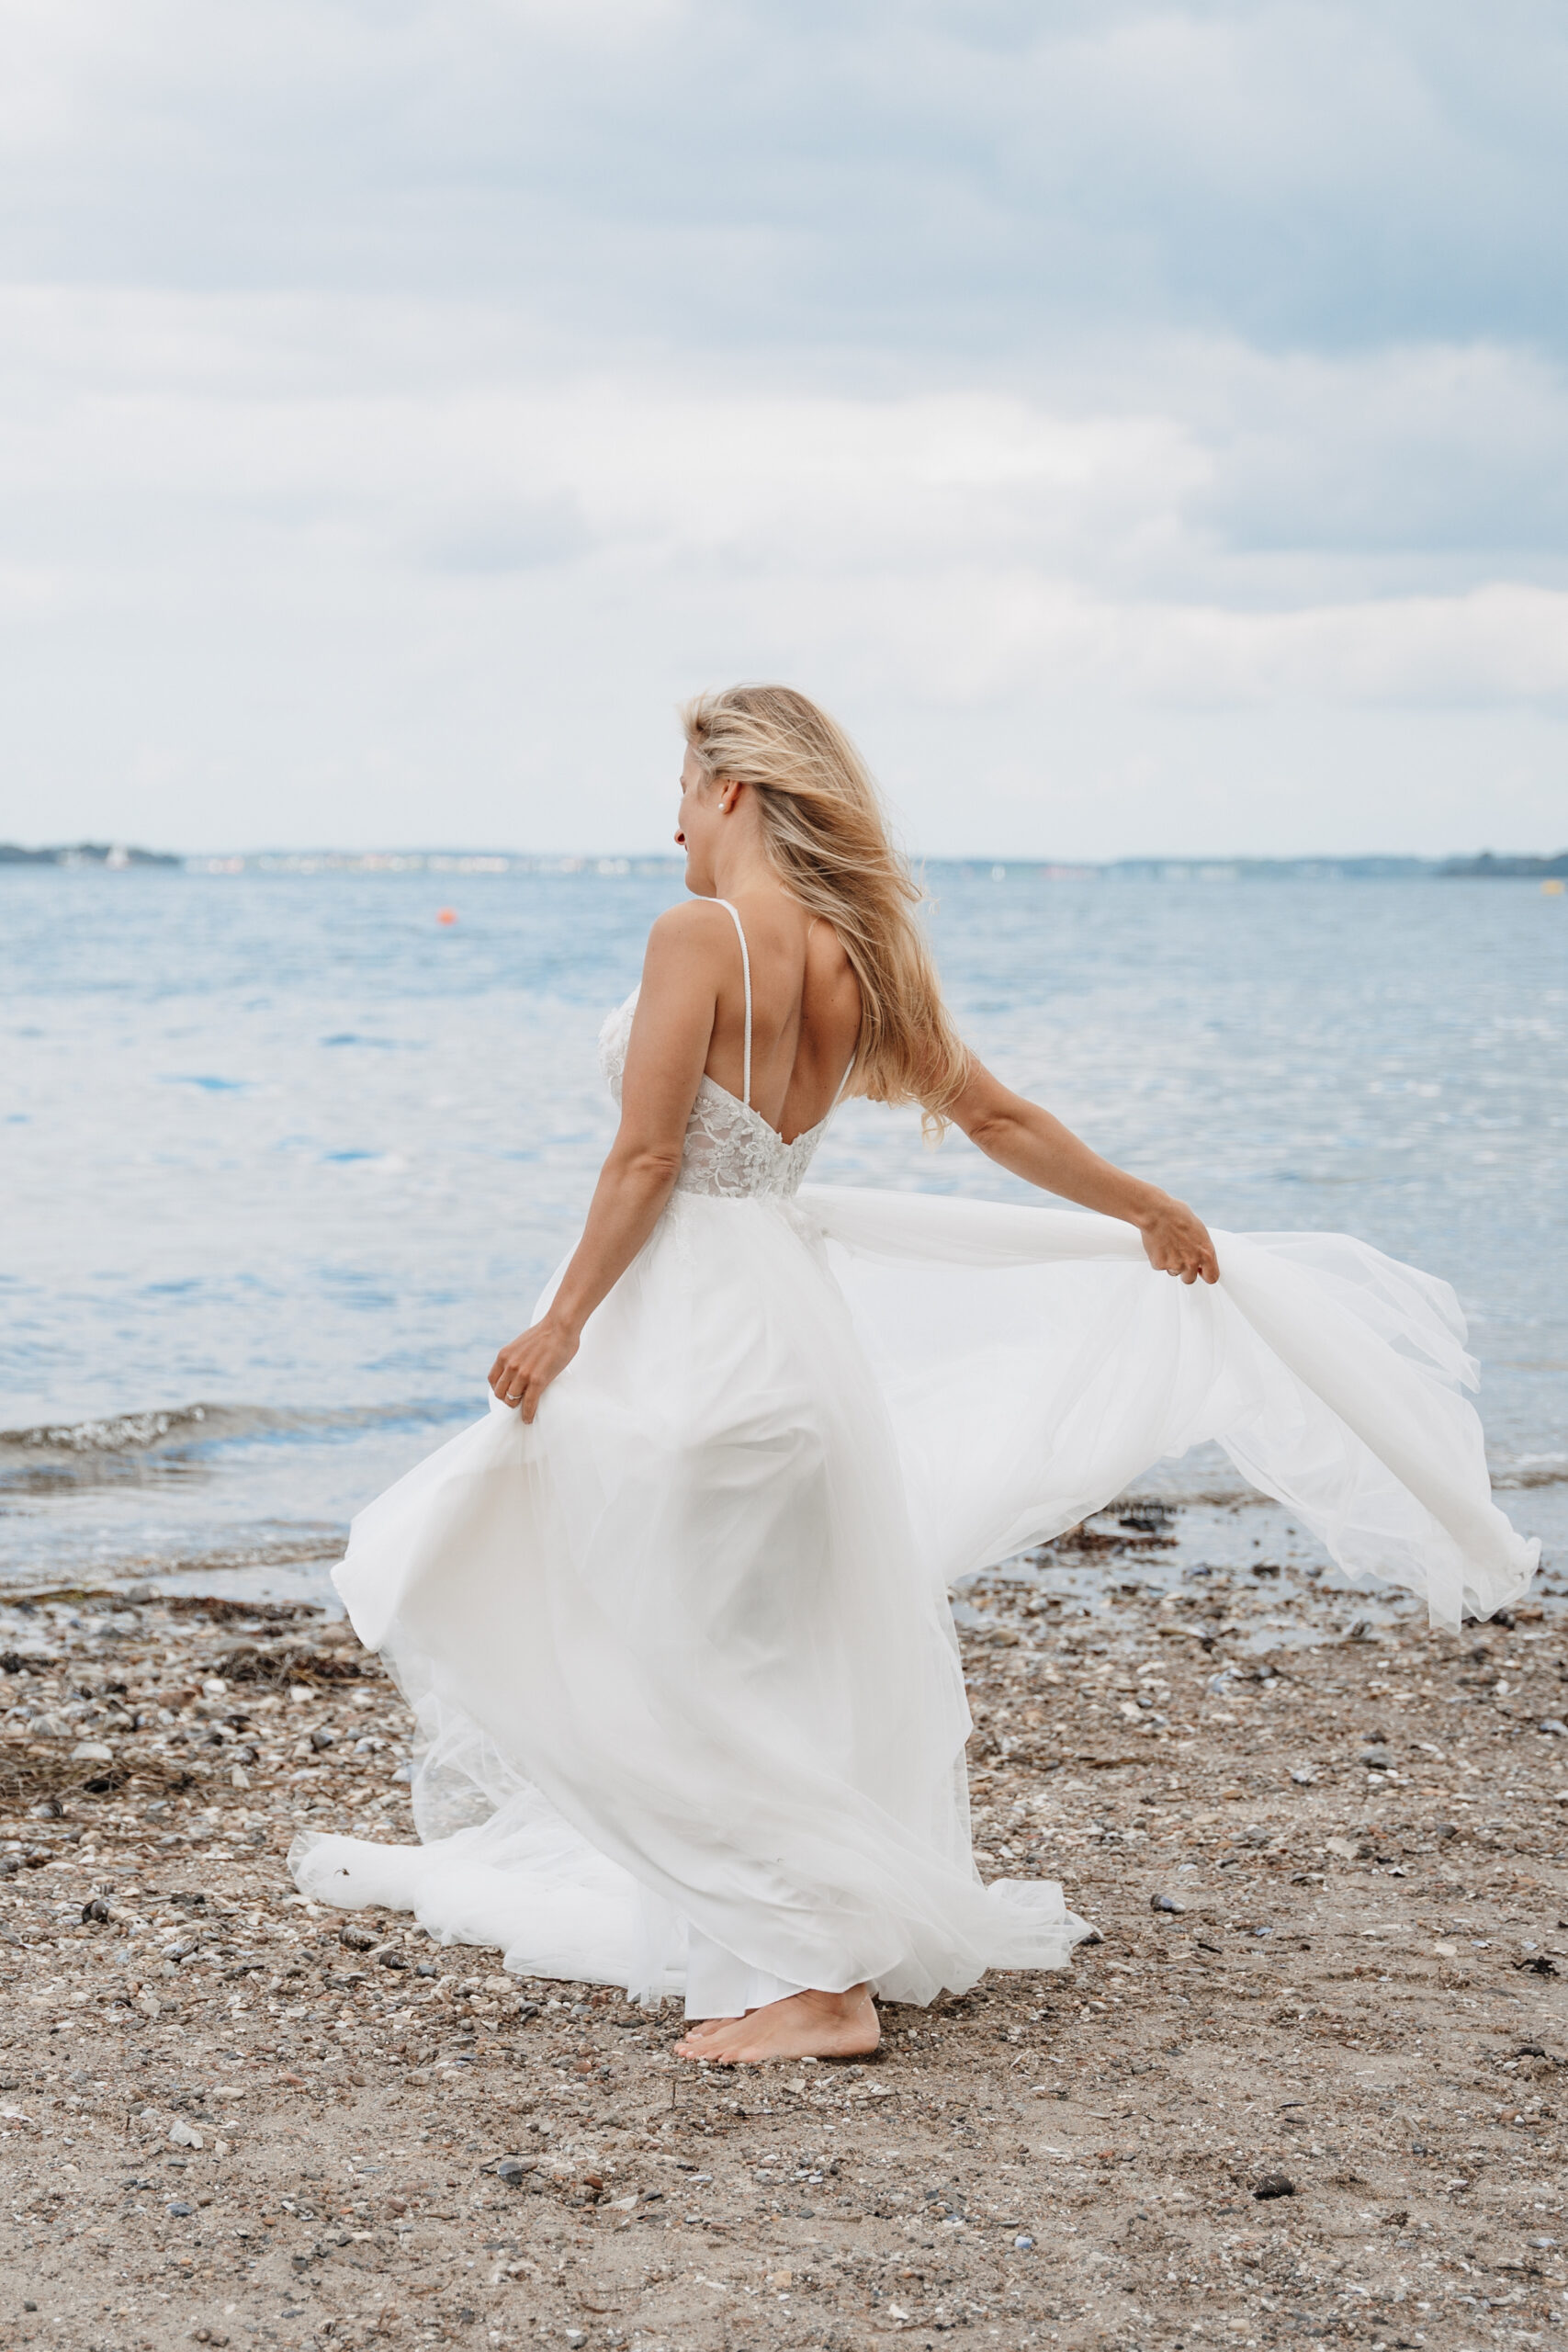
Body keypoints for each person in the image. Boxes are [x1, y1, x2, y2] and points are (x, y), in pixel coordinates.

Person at [291, 684, 1536, 2065]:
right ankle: (789, 1954)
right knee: (746, 1661)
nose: (670, 820)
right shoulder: (863, 954)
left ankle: (816, 1983)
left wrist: (562, 1324)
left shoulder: (696, 935)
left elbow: (647, 1158)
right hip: (794, 1344)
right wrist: (1144, 1208)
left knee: (635, 1647)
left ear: (738, 794)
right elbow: (996, 1116)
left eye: (683, 788)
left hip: (684, 1338)